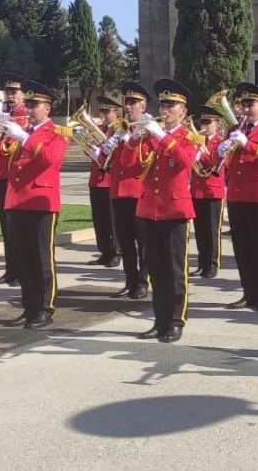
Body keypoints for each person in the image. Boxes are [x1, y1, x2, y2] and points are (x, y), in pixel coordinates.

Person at [0, 79, 69, 329]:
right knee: (23, 260)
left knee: (41, 260)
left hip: (41, 203)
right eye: (27, 104)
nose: (28, 109)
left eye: (34, 104)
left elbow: (51, 158)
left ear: (47, 108)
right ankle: (29, 308)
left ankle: (45, 308)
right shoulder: (22, 132)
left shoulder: (58, 133)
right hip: (16, 201)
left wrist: (24, 139)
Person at [134, 79, 198, 342]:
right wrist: (137, 136)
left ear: (183, 110)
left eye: (171, 106)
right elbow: (133, 162)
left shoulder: (191, 137)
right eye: (163, 104)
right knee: (156, 269)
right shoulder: (150, 134)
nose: (165, 110)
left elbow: (186, 161)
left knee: (174, 269)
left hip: (175, 209)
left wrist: (162, 137)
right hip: (150, 208)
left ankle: (176, 319)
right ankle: (159, 319)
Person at [222, 82, 258, 312]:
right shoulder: (233, 129)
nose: (246, 109)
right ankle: (248, 292)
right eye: (243, 104)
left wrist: (248, 145)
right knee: (242, 248)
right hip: (236, 194)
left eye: (251, 104)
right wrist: (222, 152)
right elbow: (229, 164)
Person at [100, 81, 152, 299]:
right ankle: (130, 280)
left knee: (143, 243)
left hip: (138, 193)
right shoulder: (120, 127)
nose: (128, 106)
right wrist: (104, 149)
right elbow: (106, 162)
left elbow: (138, 163)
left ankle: (142, 281)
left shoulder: (148, 131)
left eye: (133, 103)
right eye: (126, 102)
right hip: (118, 192)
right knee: (125, 242)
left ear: (143, 106)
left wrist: (129, 140)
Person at [0, 75, 28, 286]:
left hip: (14, 176)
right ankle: (11, 270)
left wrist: (1, 118)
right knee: (6, 226)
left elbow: (13, 143)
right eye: (7, 91)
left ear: (23, 94)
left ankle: (20, 270)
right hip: (0, 174)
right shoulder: (6, 114)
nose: (10, 95)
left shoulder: (24, 115)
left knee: (17, 227)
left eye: (14, 92)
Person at [85, 96, 122, 268]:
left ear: (116, 113)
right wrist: (91, 150)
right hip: (96, 180)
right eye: (102, 111)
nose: (104, 115)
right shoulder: (97, 129)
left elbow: (118, 155)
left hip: (110, 180)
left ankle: (115, 252)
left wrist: (103, 150)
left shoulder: (120, 130)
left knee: (112, 220)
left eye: (107, 112)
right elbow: (88, 149)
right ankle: (104, 251)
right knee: (99, 219)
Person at [190, 104, 226, 278]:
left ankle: (212, 264)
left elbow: (214, 162)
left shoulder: (221, 143)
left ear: (217, 124)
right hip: (196, 190)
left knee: (212, 231)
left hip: (213, 191)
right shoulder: (197, 140)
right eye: (202, 122)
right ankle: (202, 263)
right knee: (199, 230)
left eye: (208, 122)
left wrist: (199, 154)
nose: (203, 125)